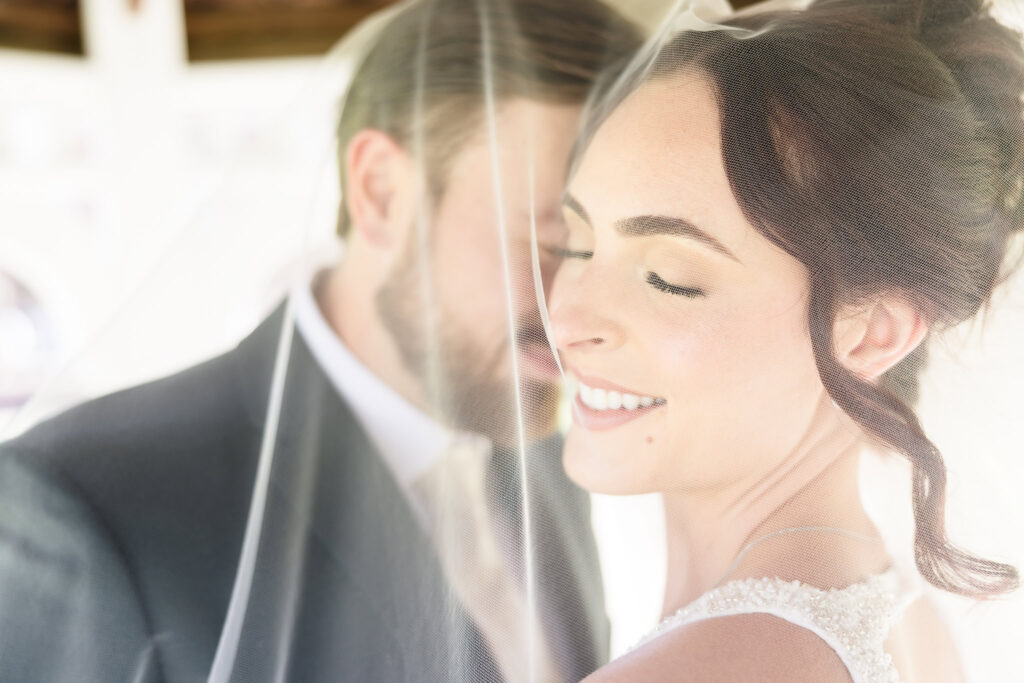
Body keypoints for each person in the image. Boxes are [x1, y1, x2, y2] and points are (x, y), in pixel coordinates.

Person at [0, 1, 641, 682]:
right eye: (556, 241)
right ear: (382, 192)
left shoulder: (547, 444)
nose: (587, 311)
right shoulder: (82, 506)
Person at [546, 0, 1023, 680]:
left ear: (873, 331)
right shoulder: (902, 622)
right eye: (575, 244)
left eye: (669, 277)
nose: (565, 317)